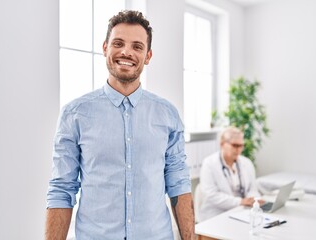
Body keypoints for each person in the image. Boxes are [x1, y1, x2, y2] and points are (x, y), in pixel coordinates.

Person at [45, 10, 194, 240]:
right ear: (105, 47)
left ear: (148, 56)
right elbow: (61, 190)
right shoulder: (74, 114)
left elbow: (179, 183)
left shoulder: (167, 115)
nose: (127, 52)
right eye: (118, 43)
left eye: (137, 46)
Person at [198, 126, 263, 222]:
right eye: (235, 145)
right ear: (222, 144)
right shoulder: (209, 164)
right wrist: (240, 201)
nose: (239, 149)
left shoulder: (247, 163)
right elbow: (211, 195)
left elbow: (252, 189)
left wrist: (253, 200)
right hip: (215, 215)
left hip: (242, 212)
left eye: (241, 145)